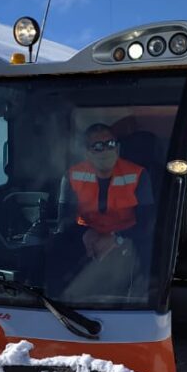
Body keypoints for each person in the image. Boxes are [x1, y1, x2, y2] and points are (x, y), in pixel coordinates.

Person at [58, 123, 153, 297]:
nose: (106, 151)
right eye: (98, 146)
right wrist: (86, 234)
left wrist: (115, 238)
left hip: (128, 241)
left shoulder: (138, 174)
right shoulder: (71, 175)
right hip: (86, 242)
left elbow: (147, 222)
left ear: (117, 148)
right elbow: (64, 220)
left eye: (110, 144)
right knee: (57, 247)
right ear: (87, 152)